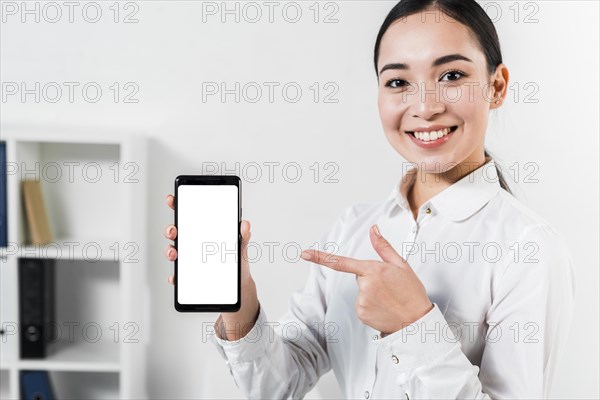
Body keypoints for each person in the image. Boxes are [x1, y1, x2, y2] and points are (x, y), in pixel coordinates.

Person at [164, 0, 576, 398]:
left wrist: (413, 326)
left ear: (497, 86)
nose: (425, 106)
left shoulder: (529, 249)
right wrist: (240, 301)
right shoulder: (352, 228)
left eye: (451, 76)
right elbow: (277, 385)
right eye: (398, 82)